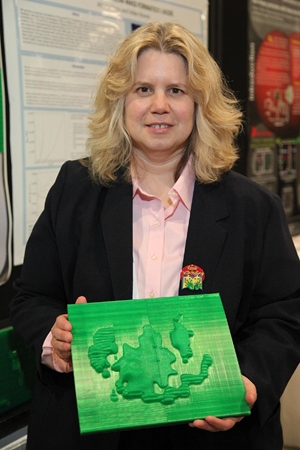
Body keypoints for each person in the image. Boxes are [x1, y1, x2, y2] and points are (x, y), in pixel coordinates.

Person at [9, 21, 300, 450]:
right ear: (121, 101)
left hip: (211, 432)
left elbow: (284, 312)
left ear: (201, 104)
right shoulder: (75, 189)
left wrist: (249, 380)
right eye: (143, 89)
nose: (159, 105)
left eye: (176, 91)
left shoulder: (251, 207)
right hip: (89, 433)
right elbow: (32, 296)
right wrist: (56, 340)